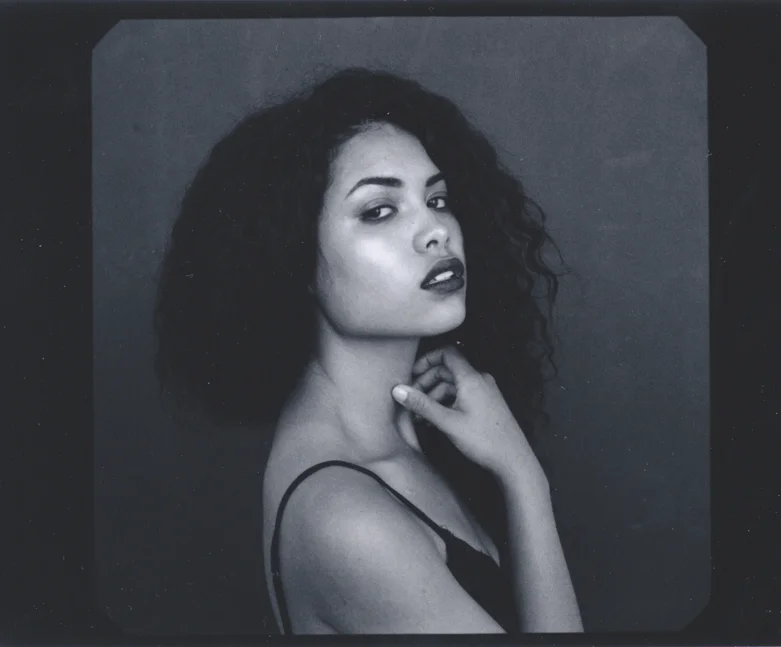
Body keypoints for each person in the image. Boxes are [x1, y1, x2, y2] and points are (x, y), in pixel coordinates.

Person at [153, 68, 583, 634]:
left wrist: (516, 470)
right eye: (379, 210)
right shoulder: (345, 517)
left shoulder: (409, 434)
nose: (435, 231)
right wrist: (525, 478)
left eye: (437, 198)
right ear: (294, 260)